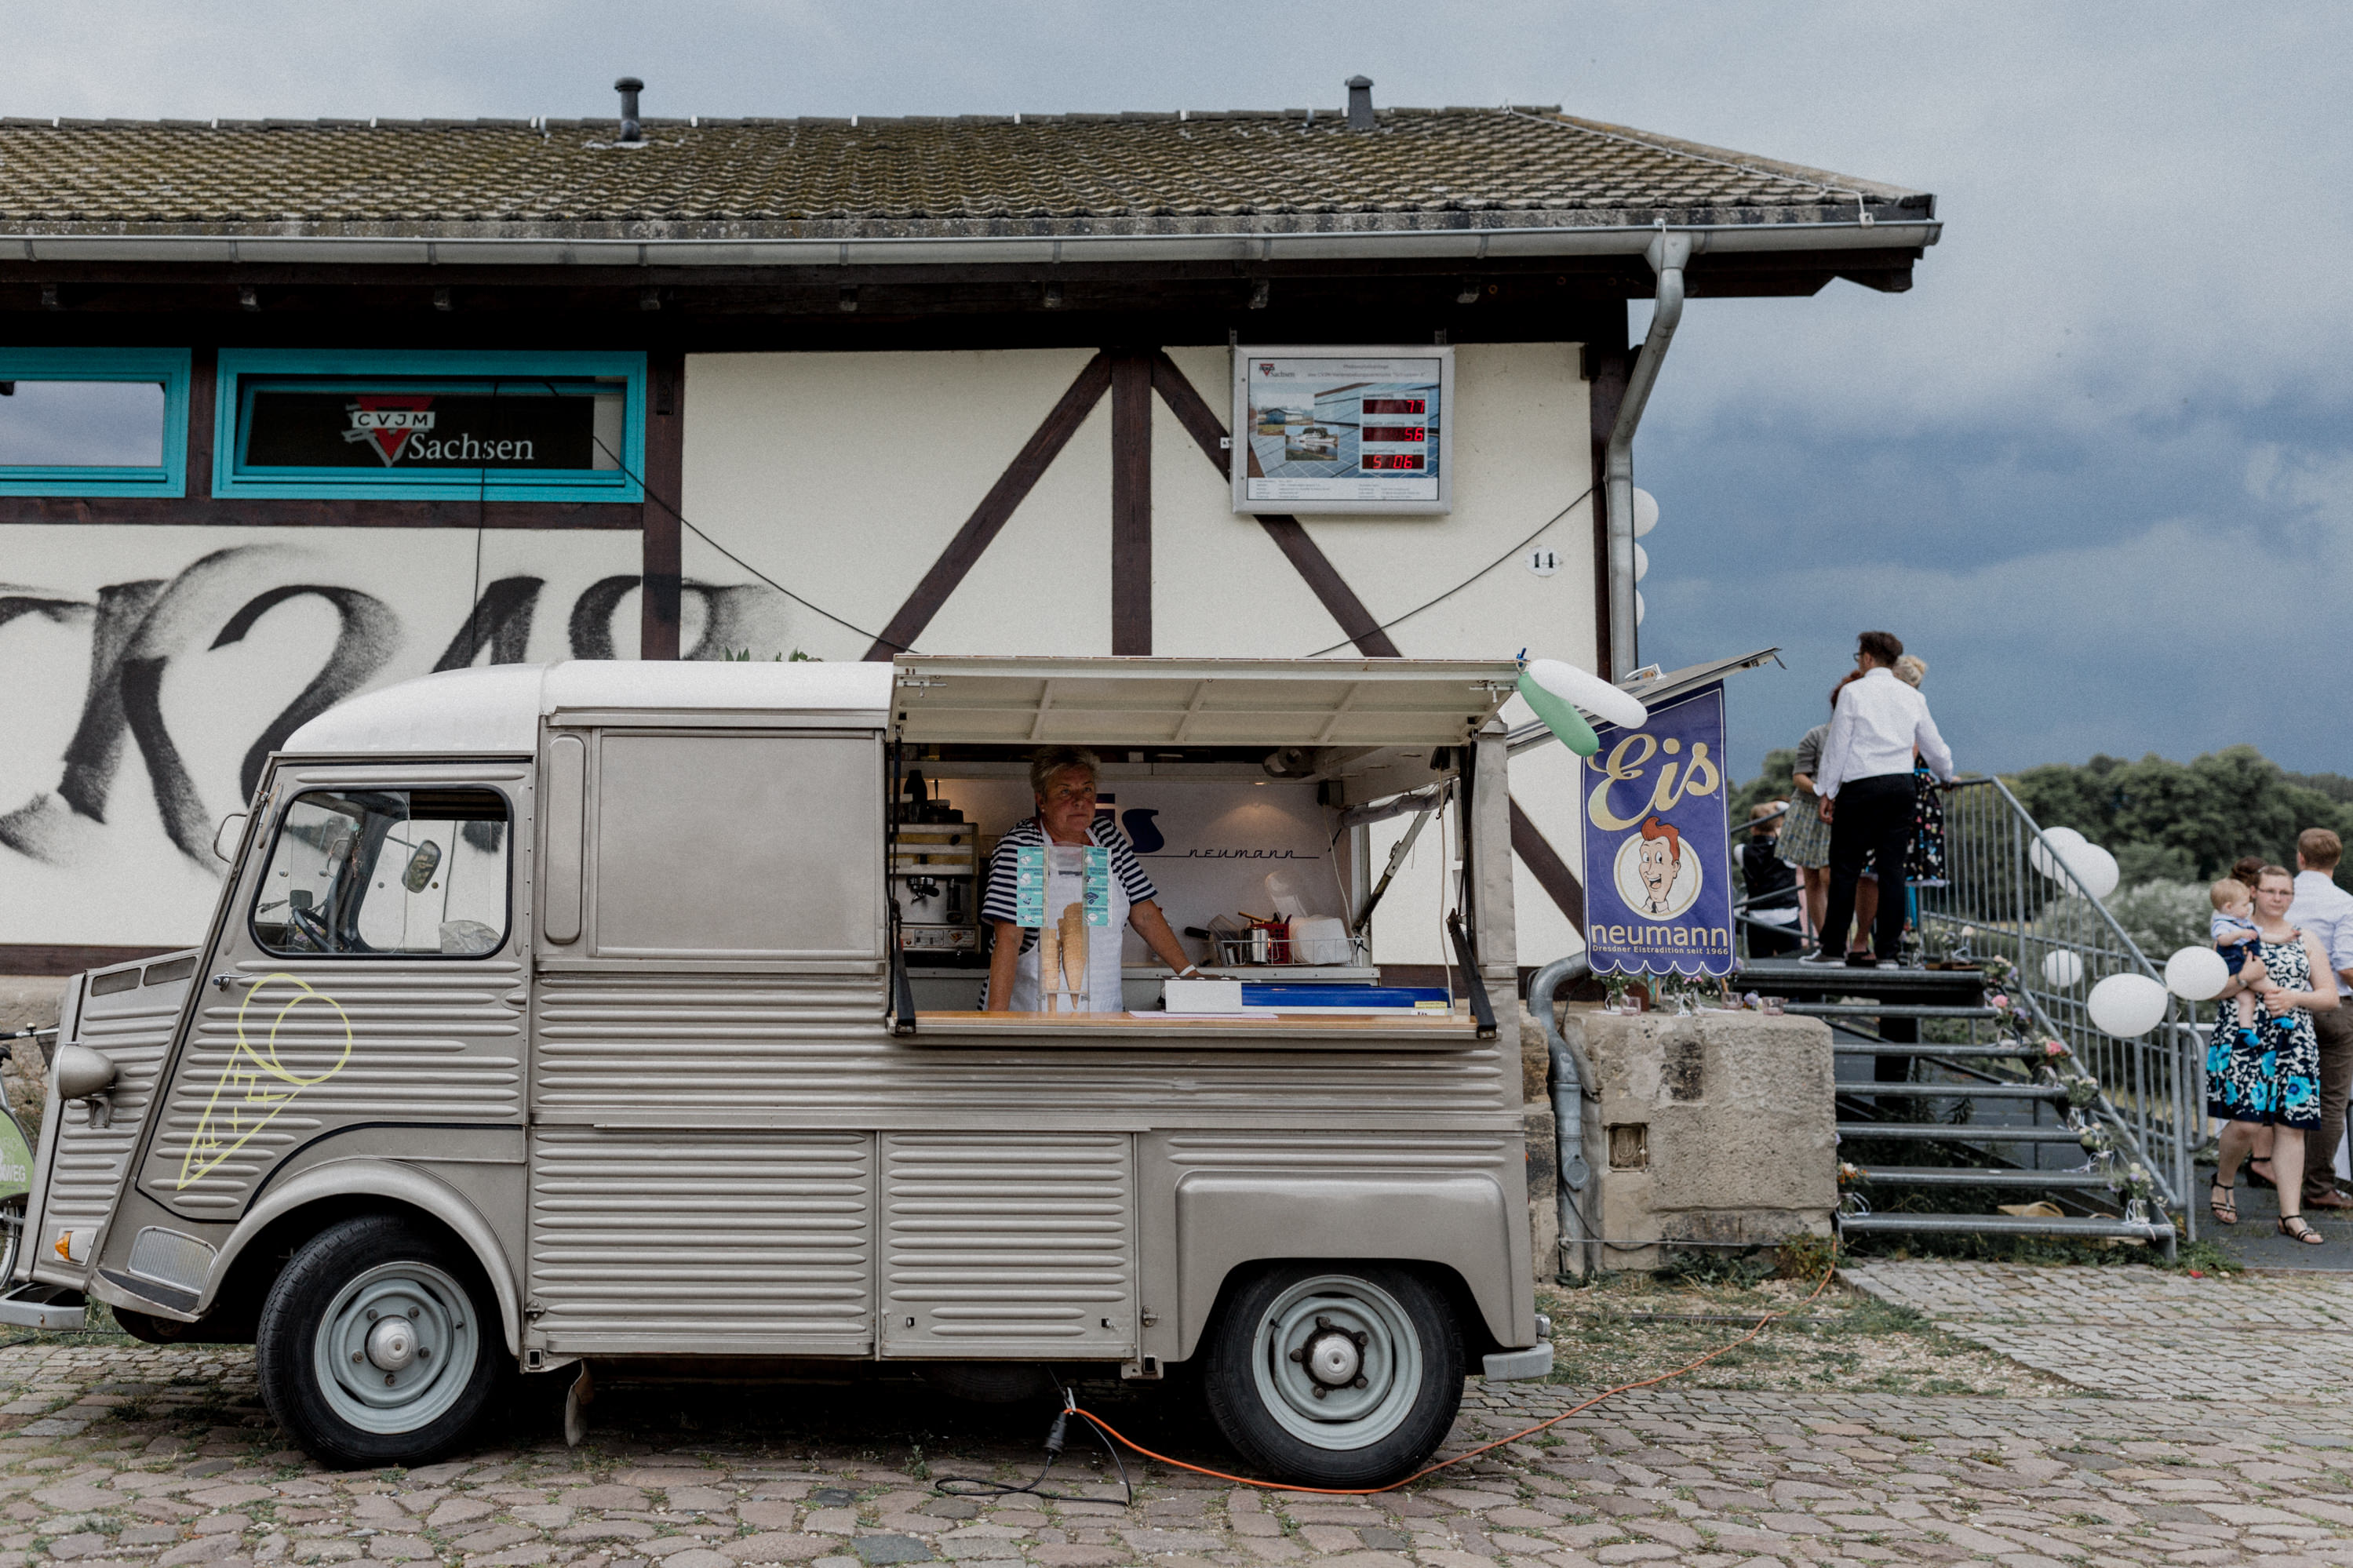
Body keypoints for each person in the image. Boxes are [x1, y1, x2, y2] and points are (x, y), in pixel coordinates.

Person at [981, 746, 1201, 1012]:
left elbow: (1144, 915)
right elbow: (1010, 938)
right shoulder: (1024, 845)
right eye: (1065, 791)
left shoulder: (1106, 837)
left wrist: (1189, 974)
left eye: (1087, 789)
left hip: (1102, 1011)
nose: (1079, 800)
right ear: (1041, 801)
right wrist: (996, 1022)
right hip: (1032, 1013)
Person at [1807, 631, 1956, 968]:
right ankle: (1888, 952)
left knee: (1846, 868)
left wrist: (1827, 790)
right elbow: (1933, 744)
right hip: (1901, 787)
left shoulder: (1853, 692)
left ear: (1869, 657)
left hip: (1861, 786)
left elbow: (1838, 745)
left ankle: (1833, 950)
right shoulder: (1912, 696)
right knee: (1893, 871)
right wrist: (1946, 775)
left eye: (1859, 655)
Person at [2207, 866, 2339, 1242]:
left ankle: (2290, 1214)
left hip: (2294, 1040)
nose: (2278, 899)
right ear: (2254, 892)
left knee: (2291, 1127)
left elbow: (2329, 997)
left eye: (2286, 892)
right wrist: (2247, 980)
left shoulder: (2305, 938)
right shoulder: (2231, 934)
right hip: (2245, 1037)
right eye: (2270, 891)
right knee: (2247, 1123)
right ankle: (2225, 1181)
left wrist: (2293, 997)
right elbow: (2213, 990)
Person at [2289, 828, 2353, 1212]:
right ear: (2338, 860)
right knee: (2330, 1100)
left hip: (2282, 1006)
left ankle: (2271, 1170)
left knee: (2282, 1092)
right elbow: (2346, 966)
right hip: (2333, 1009)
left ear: (2299, 858)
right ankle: (2317, 1186)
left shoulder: (2278, 899)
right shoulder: (2345, 902)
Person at [1776, 674, 1858, 946]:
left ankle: (1841, 938)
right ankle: (1827, 940)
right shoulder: (1816, 735)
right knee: (1811, 878)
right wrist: (1822, 790)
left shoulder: (1861, 739)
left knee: (1830, 874)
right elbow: (1799, 775)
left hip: (1842, 813)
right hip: (1810, 810)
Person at [2209, 877, 2274, 1044]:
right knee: (2271, 988)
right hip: (2235, 965)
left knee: (2247, 1000)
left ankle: (2245, 1030)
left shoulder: (2244, 923)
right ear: (2229, 907)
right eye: (2245, 905)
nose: (2248, 909)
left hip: (2243, 967)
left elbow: (2262, 935)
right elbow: (2222, 940)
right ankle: (2280, 1016)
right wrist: (2239, 934)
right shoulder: (2222, 923)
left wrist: (2285, 937)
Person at [1740, 802, 1802, 956]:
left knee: (1760, 968)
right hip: (1788, 917)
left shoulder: (1741, 851)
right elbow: (1794, 812)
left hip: (1757, 919)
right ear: (1776, 826)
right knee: (1793, 968)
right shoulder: (1788, 850)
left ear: (1752, 826)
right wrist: (1775, 805)